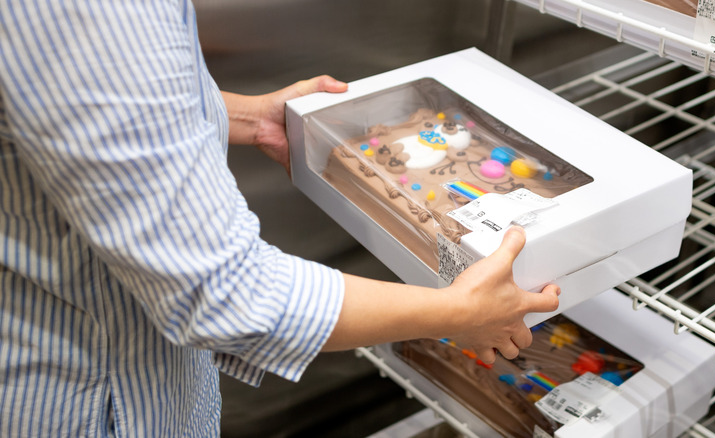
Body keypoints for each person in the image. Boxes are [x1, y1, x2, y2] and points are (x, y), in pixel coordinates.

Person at [0, 1, 560, 436]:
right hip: (89, 399)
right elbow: (226, 293)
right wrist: (458, 312)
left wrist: (240, 113)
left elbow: (67, 97)